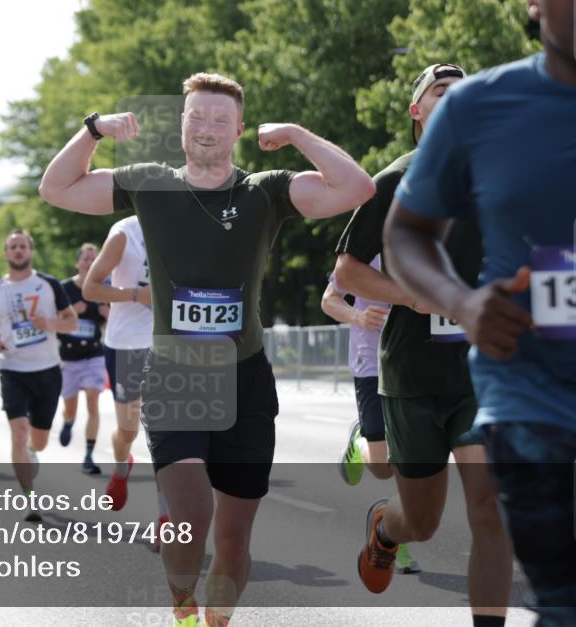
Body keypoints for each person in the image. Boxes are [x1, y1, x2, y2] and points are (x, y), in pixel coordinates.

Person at [39, 72, 374, 627]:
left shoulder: (264, 191)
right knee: (190, 513)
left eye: (221, 119)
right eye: (197, 116)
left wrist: (295, 134)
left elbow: (356, 189)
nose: (208, 128)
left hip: (245, 377)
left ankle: (217, 620)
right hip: (176, 373)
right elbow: (56, 188)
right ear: (181, 124)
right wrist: (94, 129)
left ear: (239, 129)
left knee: (235, 535)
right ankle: (182, 609)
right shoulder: (149, 183)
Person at [383, 0, 576, 624]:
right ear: (533, 0)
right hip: (534, 397)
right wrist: (462, 302)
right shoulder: (477, 108)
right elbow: (406, 234)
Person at [337, 64, 512, 626]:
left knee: (491, 512)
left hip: (483, 376)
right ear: (417, 111)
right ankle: (386, 528)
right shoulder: (392, 182)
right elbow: (347, 272)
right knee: (424, 522)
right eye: (440, 90)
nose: (454, 97)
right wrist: (414, 299)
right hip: (413, 377)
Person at [320, 259, 420, 574]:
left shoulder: (427, 241)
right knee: (382, 466)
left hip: (416, 367)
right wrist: (357, 315)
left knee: (410, 460)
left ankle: (397, 538)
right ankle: (360, 439)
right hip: (371, 364)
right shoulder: (364, 249)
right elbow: (328, 299)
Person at [0, 230, 77, 522]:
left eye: (22, 246)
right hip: (12, 369)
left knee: (40, 440)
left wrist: (51, 323)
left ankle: (34, 449)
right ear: (6, 253)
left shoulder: (48, 284)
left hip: (47, 369)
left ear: (29, 251)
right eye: (12, 247)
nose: (18, 251)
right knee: (18, 432)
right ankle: (30, 499)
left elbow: (71, 322)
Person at [81, 216, 153, 506]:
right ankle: (122, 467)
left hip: (169, 342)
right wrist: (137, 295)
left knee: (165, 433)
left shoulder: (188, 225)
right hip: (126, 345)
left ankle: (165, 517)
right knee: (128, 430)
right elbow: (91, 288)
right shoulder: (126, 232)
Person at [56, 243, 109, 475]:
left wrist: (107, 315)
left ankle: (89, 454)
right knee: (71, 408)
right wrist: (71, 312)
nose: (89, 262)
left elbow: (111, 322)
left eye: (93, 259)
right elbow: (52, 320)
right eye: (85, 259)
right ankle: (68, 422)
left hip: (94, 355)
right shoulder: (64, 288)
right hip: (68, 357)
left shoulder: (103, 288)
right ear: (78, 262)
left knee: (93, 402)